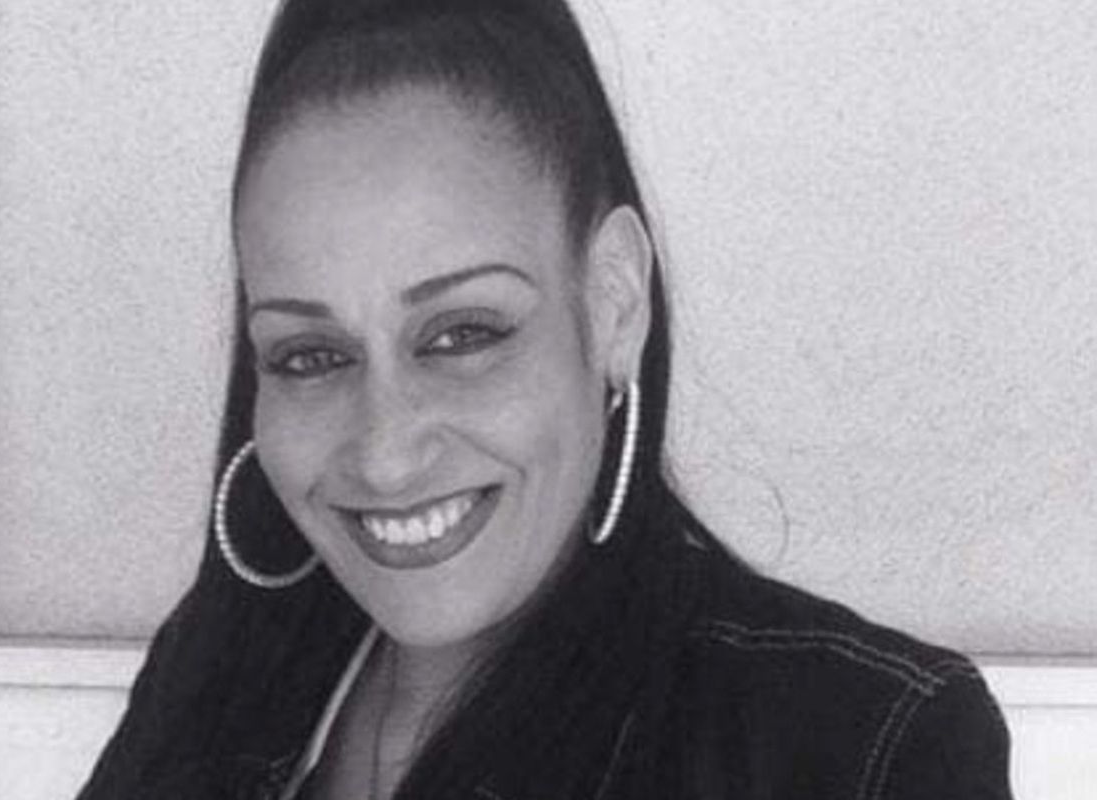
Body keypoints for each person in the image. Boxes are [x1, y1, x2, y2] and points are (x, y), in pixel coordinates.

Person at [77, 1, 1013, 798]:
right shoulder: (210, 682)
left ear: (613, 302)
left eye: (462, 335)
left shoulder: (857, 751)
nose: (385, 453)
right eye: (310, 356)